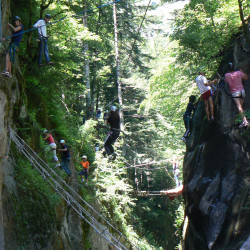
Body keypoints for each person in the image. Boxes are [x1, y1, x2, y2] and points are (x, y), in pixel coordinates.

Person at [225, 63, 249, 128]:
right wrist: (242, 72)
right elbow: (246, 78)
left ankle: (245, 121)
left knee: (239, 107)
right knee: (241, 107)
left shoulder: (226, 75)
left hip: (235, 92)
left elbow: (226, 82)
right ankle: (244, 120)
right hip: (242, 91)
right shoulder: (238, 72)